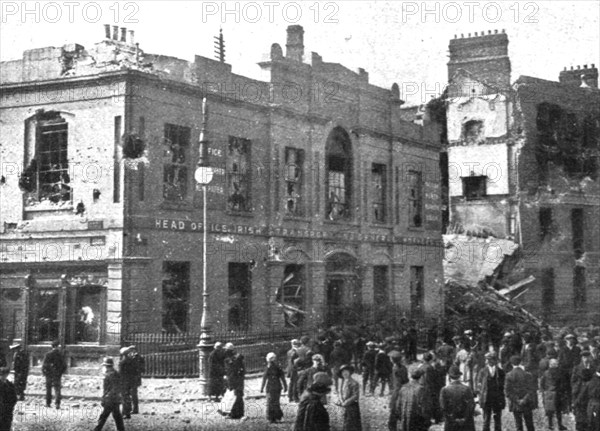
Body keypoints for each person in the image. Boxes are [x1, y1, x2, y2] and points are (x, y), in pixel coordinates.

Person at [505, 355, 537, 431]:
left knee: (518, 424)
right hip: (527, 402)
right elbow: (531, 390)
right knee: (529, 424)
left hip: (515, 403)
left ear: (511, 364)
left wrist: (517, 400)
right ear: (521, 362)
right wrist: (524, 400)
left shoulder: (509, 375)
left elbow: (507, 392)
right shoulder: (528, 374)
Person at [476, 351, 506, 431]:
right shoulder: (482, 371)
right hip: (486, 398)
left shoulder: (500, 372)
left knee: (498, 419)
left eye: (489, 360)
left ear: (494, 360)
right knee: (486, 419)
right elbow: (479, 385)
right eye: (487, 360)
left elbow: (503, 386)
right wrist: (480, 396)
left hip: (497, 398)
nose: (487, 361)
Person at [94, 357, 125, 431]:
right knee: (117, 416)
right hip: (115, 399)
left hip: (110, 399)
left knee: (104, 416)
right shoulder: (115, 373)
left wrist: (105, 398)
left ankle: (97, 429)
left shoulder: (109, 375)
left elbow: (112, 389)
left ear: (107, 366)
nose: (104, 368)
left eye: (105, 366)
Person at [540, 358, 568, 431]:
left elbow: (542, 383)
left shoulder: (545, 373)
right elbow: (563, 384)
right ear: (557, 365)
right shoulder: (560, 373)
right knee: (558, 411)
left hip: (549, 394)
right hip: (558, 394)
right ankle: (559, 425)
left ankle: (550, 425)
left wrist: (544, 391)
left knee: (549, 411)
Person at [218, 344, 245, 420]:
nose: (225, 351)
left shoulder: (231, 360)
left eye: (226, 350)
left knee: (236, 397)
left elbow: (232, 372)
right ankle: (236, 413)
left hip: (235, 381)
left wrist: (230, 382)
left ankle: (236, 414)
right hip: (236, 380)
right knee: (236, 396)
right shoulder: (233, 359)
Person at [260, 352, 287, 423]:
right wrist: (285, 386)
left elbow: (264, 378)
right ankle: (277, 416)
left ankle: (271, 417)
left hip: (270, 386)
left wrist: (262, 388)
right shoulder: (278, 367)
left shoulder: (268, 368)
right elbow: (282, 378)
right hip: (277, 386)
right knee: (276, 402)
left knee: (270, 402)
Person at [572, 351, 595, 431]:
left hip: (590, 395)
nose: (586, 359)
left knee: (590, 417)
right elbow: (573, 381)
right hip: (580, 395)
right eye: (584, 357)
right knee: (580, 417)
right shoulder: (577, 368)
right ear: (582, 358)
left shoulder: (594, 367)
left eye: (588, 357)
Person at [336, 364, 362, 431]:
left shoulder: (354, 383)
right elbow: (340, 392)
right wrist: (340, 400)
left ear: (350, 372)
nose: (345, 373)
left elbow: (355, 396)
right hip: (345, 406)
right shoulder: (342, 382)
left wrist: (346, 402)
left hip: (352, 406)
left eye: (346, 371)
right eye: (343, 372)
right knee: (346, 423)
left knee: (352, 424)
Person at [41, 340, 66, 409]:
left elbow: (44, 365)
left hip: (49, 374)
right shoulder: (60, 354)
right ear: (57, 346)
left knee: (48, 389)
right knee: (57, 388)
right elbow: (64, 365)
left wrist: (45, 373)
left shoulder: (48, 354)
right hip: (57, 374)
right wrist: (60, 372)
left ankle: (48, 403)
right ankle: (57, 404)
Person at [388, 350, 409, 430]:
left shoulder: (395, 369)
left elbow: (397, 383)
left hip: (397, 390)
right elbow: (406, 380)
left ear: (392, 359)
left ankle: (392, 427)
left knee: (394, 408)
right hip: (404, 388)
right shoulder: (403, 367)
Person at [578, 363, 600, 431]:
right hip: (597, 406)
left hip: (591, 406)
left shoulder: (591, 381)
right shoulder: (596, 382)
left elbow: (582, 396)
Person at [118, 347, 137, 419]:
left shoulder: (122, 362)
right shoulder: (132, 361)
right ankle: (128, 413)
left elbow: (120, 374)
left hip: (123, 382)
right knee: (128, 397)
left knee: (124, 397)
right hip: (130, 382)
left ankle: (124, 413)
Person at [0, 366, 17, 431]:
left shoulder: (10, 385)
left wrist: (9, 407)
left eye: (4, 374)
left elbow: (14, 398)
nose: (2, 377)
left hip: (7, 412)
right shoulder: (9, 385)